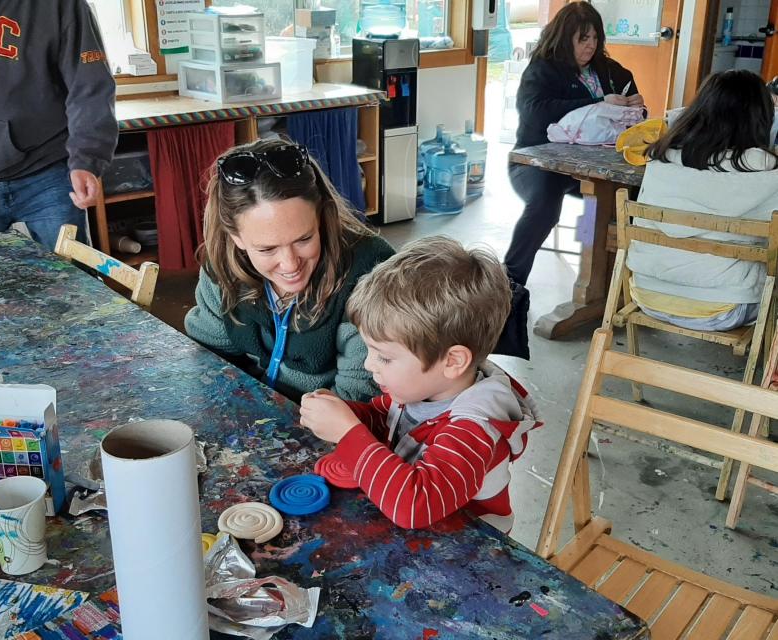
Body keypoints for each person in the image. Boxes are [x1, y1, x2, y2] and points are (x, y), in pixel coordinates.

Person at [300, 236, 542, 532]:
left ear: (452, 361)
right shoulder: (424, 387)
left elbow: (415, 506)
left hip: (466, 552)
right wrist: (344, 413)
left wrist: (348, 433)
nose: (368, 364)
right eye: (370, 351)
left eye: (385, 357)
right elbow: (384, 420)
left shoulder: (477, 429)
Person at [185, 138, 394, 403]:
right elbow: (209, 358)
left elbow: (361, 398)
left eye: (304, 239)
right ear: (235, 237)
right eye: (267, 249)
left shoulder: (370, 271)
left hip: (330, 425)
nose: (290, 264)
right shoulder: (223, 264)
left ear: (320, 216)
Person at [0, 1, 118, 250]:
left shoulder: (64, 6)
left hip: (47, 171)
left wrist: (87, 159)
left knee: (70, 279)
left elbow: (90, 86)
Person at [626, 70, 778, 331]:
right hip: (724, 307)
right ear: (761, 119)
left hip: (647, 293)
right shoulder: (766, 170)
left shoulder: (661, 157)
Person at [505, 1, 643, 286]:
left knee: (621, 197)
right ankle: (509, 284)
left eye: (595, 38)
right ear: (565, 38)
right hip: (539, 163)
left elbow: (629, 90)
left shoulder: (607, 69)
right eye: (583, 39)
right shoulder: (543, 68)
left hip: (594, 165)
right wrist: (597, 101)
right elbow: (535, 112)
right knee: (545, 204)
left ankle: (603, 281)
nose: (590, 46)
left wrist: (633, 103)